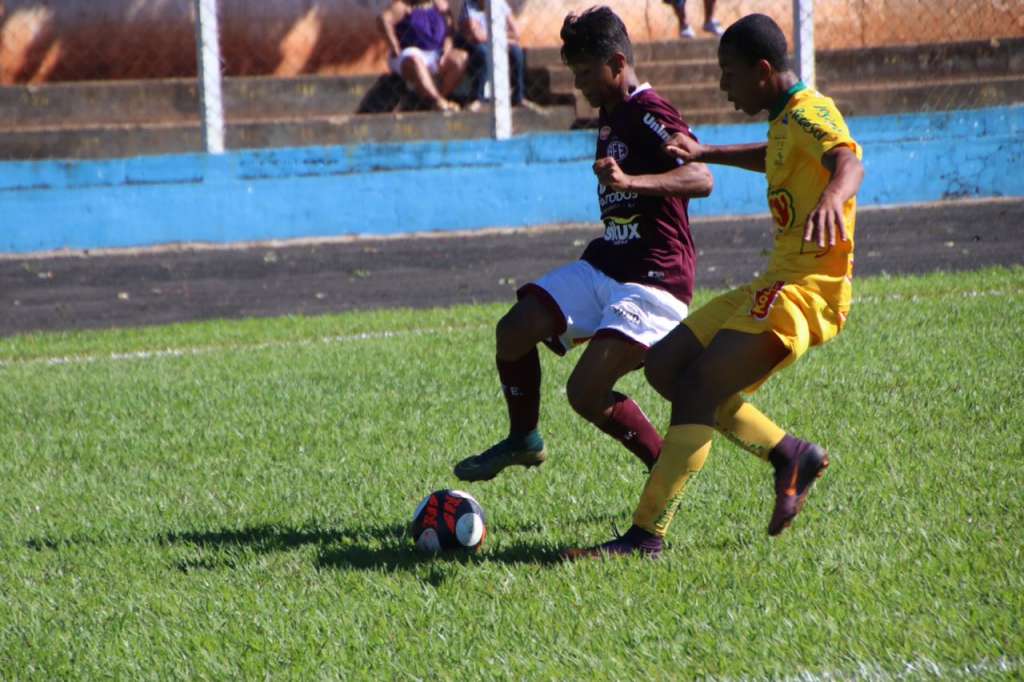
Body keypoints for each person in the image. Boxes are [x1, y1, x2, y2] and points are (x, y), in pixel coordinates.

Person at [564, 13, 865, 559]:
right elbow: (775, 158)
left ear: (763, 69)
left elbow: (847, 160)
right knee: (664, 368)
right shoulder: (784, 122)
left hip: (807, 292)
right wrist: (707, 153)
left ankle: (646, 535)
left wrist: (830, 199)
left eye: (729, 74)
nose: (723, 86)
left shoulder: (811, 111)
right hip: (775, 281)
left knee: (699, 384)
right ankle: (788, 454)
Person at [452, 6, 713, 484]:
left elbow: (701, 177)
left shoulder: (649, 111)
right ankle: (524, 439)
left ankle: (664, 470)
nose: (578, 84)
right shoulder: (611, 110)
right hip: (609, 264)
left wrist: (633, 182)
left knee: (585, 392)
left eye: (586, 72)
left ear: (616, 62)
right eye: (575, 73)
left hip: (654, 279)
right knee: (514, 329)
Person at [378, 0, 468, 112]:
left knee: (461, 58)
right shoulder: (403, 5)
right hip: (409, 53)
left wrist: (447, 48)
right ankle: (438, 101)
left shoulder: (440, 5)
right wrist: (394, 45)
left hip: (436, 53)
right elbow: (383, 20)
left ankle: (434, 100)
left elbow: (450, 30)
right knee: (416, 61)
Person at [456, 0, 534, 111]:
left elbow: (516, 33)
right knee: (483, 53)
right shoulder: (469, 5)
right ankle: (477, 99)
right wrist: (503, 36)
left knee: (517, 52)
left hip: (496, 42)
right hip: (474, 45)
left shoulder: (499, 3)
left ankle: (518, 97)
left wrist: (491, 35)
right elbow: (477, 36)